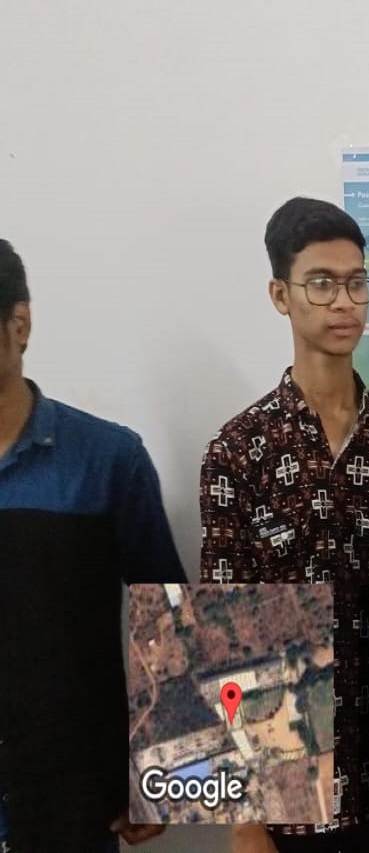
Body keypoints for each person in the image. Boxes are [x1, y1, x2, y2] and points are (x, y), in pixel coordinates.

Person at [199, 199, 369, 852]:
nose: (344, 302)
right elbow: (221, 634)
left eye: (356, 283)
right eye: (322, 283)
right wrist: (244, 818)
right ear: (281, 295)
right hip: (285, 792)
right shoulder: (239, 450)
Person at [0, 239, 185, 851]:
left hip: (70, 798)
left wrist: (159, 775)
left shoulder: (107, 460)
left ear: (19, 324)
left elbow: (168, 622)